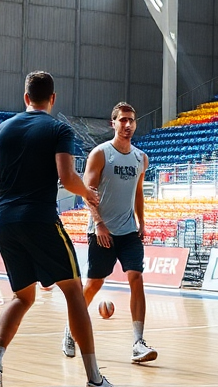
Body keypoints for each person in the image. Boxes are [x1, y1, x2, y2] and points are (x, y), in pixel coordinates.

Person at [0, 71, 127, 387]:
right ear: (52, 99)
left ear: (25, 96)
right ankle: (94, 381)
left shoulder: (1, 129)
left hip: (5, 219)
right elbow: (65, 176)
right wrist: (86, 191)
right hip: (40, 218)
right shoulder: (59, 129)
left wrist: (13, 197)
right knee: (74, 291)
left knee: (22, 296)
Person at [64, 101, 155, 364]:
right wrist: (99, 224)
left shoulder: (141, 158)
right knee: (94, 284)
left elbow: (138, 193)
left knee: (136, 277)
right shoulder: (101, 154)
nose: (127, 125)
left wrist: (142, 222)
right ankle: (70, 330)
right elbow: (86, 193)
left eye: (131, 120)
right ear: (113, 123)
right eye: (122, 120)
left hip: (128, 232)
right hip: (101, 232)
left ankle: (138, 342)